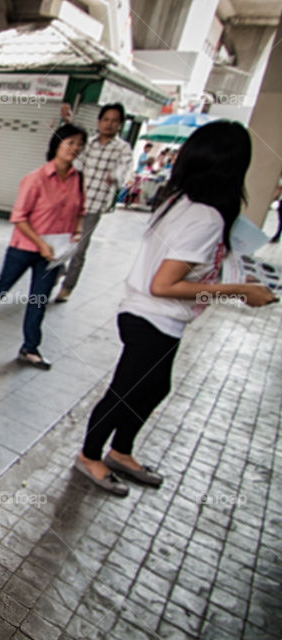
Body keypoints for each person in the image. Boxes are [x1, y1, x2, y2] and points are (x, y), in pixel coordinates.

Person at [74, 121, 277, 496]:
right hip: (152, 316)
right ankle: (90, 455)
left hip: (150, 314)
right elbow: (164, 284)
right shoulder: (205, 216)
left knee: (153, 389)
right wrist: (238, 291)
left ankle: (120, 450)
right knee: (126, 392)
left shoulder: (179, 200)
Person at [0, 124, 88, 369]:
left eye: (80, 144)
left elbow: (80, 211)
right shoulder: (36, 178)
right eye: (70, 142)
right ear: (57, 144)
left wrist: (77, 231)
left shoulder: (77, 179)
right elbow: (19, 217)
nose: (75, 148)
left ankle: (30, 348)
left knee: (39, 299)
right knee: (3, 286)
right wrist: (41, 243)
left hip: (55, 251)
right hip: (25, 247)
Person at [54, 103, 132, 302]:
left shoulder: (122, 148)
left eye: (114, 121)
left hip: (94, 206)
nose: (109, 124)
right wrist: (68, 121)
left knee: (79, 250)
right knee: (59, 242)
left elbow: (124, 170)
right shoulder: (88, 141)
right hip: (71, 202)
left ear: (120, 124)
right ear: (99, 121)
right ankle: (58, 272)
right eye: (106, 119)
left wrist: (115, 177)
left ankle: (67, 288)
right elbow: (72, 145)